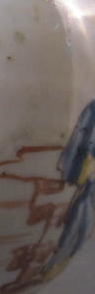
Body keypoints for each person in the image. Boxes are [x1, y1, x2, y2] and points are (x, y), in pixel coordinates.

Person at [42, 100, 95, 278]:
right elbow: (79, 140)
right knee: (79, 215)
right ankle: (57, 261)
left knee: (82, 216)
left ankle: (58, 260)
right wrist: (78, 167)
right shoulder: (91, 110)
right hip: (86, 174)